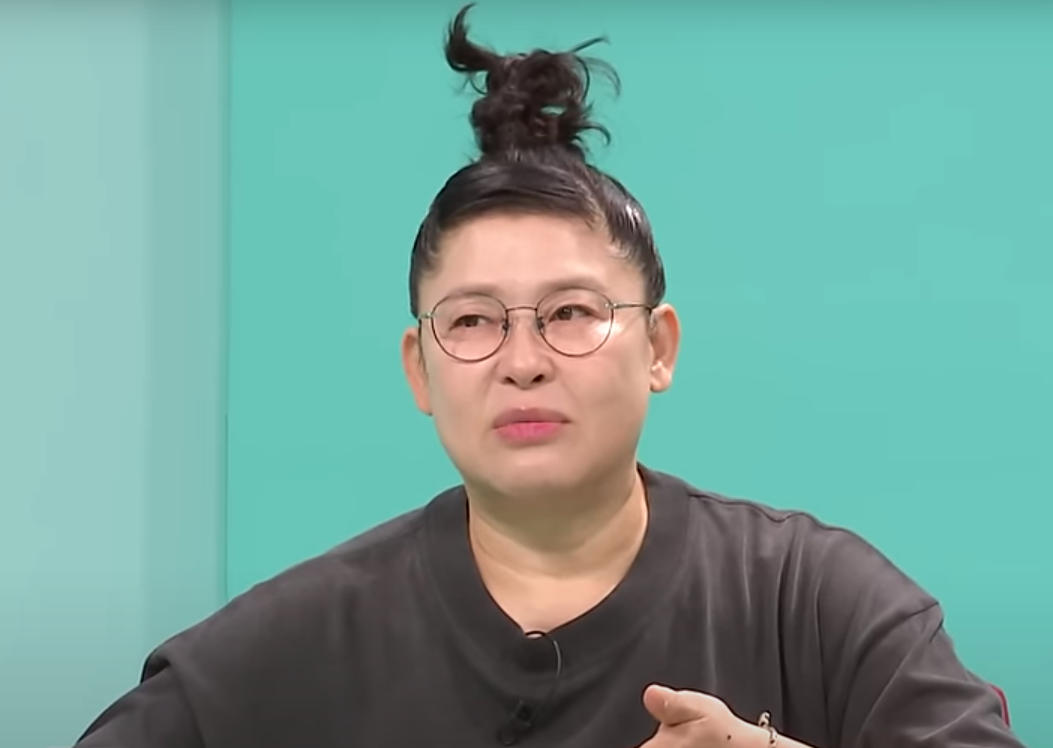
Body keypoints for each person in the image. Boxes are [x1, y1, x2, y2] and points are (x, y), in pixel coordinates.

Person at [74, 6, 1026, 748]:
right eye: (472, 322)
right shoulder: (296, 642)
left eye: (570, 314)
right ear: (419, 368)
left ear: (658, 347)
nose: (522, 361)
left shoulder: (813, 603)